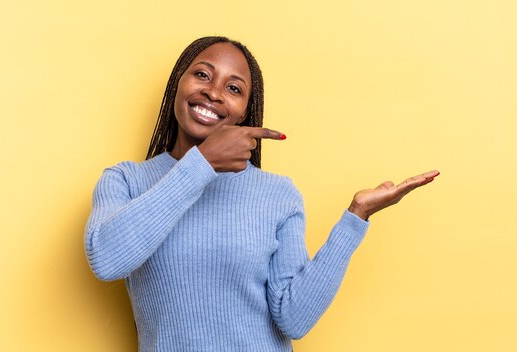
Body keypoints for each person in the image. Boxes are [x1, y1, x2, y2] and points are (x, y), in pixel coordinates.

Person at [84, 36, 439, 352]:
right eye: (202, 75)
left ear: (245, 113)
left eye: (234, 88)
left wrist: (355, 217)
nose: (214, 92)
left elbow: (294, 320)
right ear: (178, 83)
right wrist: (201, 164)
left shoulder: (278, 194)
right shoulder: (126, 180)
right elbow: (108, 260)